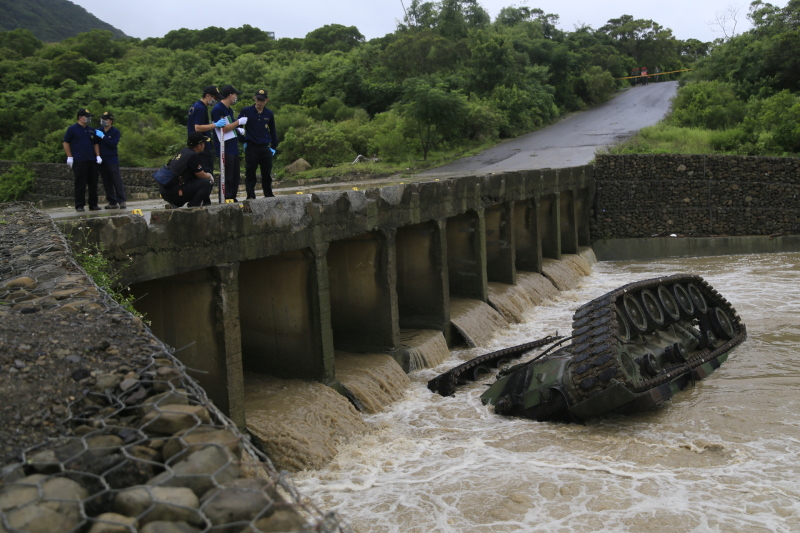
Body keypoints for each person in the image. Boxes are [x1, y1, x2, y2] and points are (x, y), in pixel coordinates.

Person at [238, 89, 279, 199]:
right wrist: (243, 140)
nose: (259, 102)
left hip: (265, 146)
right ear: (255, 98)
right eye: (257, 99)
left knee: (266, 173)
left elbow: (272, 130)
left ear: (266, 100)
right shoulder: (247, 111)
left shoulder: (268, 113)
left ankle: (268, 194)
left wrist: (274, 146)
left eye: (262, 100)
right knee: (250, 172)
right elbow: (237, 127)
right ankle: (250, 196)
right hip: (252, 146)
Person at [211, 85, 247, 202]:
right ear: (230, 95)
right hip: (224, 147)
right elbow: (223, 128)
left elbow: (230, 126)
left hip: (233, 146)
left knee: (235, 175)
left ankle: (232, 197)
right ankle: (225, 197)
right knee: (227, 175)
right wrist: (238, 123)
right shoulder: (218, 109)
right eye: (235, 95)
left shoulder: (229, 110)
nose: (236, 98)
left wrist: (238, 130)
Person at [159, 132, 214, 208]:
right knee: (205, 183)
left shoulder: (184, 151)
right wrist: (209, 176)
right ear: (199, 146)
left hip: (166, 191)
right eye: (204, 143)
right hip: (174, 192)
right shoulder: (193, 155)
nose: (204, 145)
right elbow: (201, 175)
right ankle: (193, 207)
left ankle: (175, 203)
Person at [62, 108, 101, 212]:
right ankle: (79, 205)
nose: (89, 119)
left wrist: (98, 155)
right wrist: (69, 156)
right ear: (80, 117)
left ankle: (93, 204)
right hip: (79, 160)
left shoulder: (92, 130)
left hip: (92, 160)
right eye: (87, 117)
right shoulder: (72, 129)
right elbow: (66, 142)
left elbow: (95, 143)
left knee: (93, 183)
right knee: (80, 183)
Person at [187, 85, 222, 177]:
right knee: (207, 172)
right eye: (214, 97)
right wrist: (215, 125)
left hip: (193, 146)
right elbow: (197, 128)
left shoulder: (194, 106)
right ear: (207, 96)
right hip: (201, 147)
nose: (216, 100)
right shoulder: (201, 108)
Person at [94, 111, 126, 209]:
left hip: (112, 159)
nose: (103, 121)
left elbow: (112, 144)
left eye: (106, 119)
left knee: (116, 180)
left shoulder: (115, 132)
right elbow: (96, 144)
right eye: (102, 119)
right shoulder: (99, 130)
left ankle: (122, 200)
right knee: (106, 181)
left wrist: (104, 137)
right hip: (102, 159)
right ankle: (112, 202)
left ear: (110, 121)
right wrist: (98, 156)